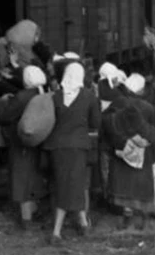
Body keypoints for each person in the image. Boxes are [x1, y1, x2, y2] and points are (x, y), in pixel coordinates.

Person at [42, 62, 100, 242]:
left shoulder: (55, 97)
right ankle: (57, 231)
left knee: (63, 185)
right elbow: (96, 123)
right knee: (75, 185)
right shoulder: (89, 97)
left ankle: (82, 224)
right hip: (78, 147)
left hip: (57, 148)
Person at [101, 75, 155, 231]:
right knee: (143, 188)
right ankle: (145, 221)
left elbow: (106, 127)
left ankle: (125, 221)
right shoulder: (148, 108)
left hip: (121, 152)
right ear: (141, 91)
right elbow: (151, 132)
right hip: (142, 153)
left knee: (123, 188)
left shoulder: (115, 104)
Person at [0, 66, 49, 231]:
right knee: (34, 177)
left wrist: (2, 102)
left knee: (21, 180)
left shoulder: (22, 97)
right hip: (39, 143)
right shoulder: (44, 94)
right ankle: (35, 209)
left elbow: (5, 116)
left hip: (21, 144)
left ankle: (26, 220)